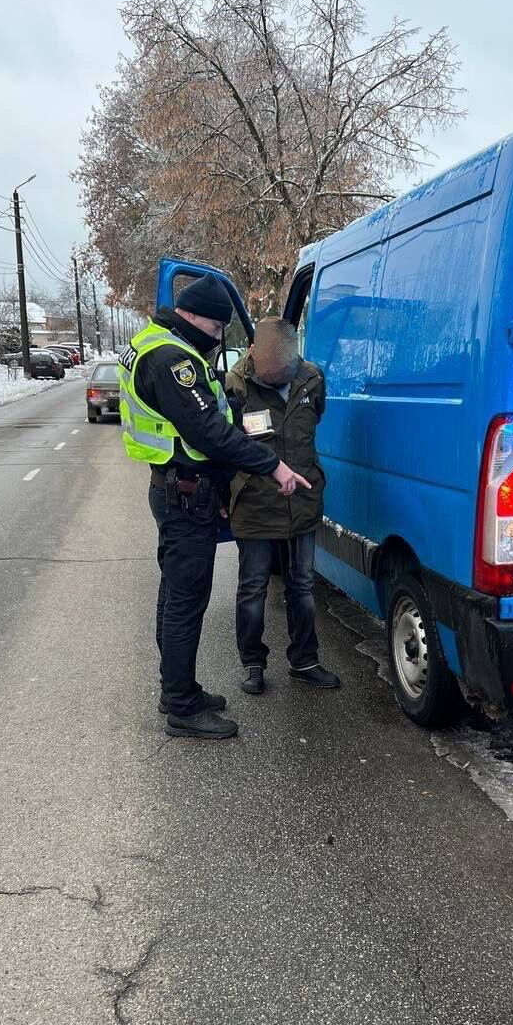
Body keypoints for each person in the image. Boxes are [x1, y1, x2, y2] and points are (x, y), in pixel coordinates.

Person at [118, 277, 310, 741]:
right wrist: (274, 465)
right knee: (186, 601)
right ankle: (182, 706)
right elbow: (208, 431)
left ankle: (177, 690)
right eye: (217, 325)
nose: (219, 335)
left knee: (174, 595)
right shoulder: (172, 359)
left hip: (176, 487)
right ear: (193, 315)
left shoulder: (150, 343)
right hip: (185, 492)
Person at [226, 318, 340, 696]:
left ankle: (304, 660)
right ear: (254, 354)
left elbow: (314, 421)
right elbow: (225, 444)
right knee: (253, 587)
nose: (275, 379)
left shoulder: (312, 379)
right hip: (255, 503)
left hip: (303, 500)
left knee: (302, 585)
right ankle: (253, 663)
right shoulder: (237, 383)